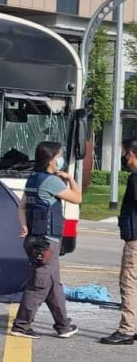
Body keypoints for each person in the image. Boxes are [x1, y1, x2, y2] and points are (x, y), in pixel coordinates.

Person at [9, 141, 80, 339]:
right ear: (51, 159)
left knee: (53, 284)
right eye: (59, 155)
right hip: (46, 241)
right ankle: (21, 326)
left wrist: (24, 225)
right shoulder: (51, 181)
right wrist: (70, 178)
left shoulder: (33, 178)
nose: (60, 159)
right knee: (39, 284)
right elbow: (77, 198)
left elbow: (22, 206)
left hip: (35, 239)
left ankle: (63, 325)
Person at [99, 138, 137, 345]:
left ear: (132, 153)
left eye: (126, 153)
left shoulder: (135, 178)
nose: (125, 158)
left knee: (128, 281)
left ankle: (126, 329)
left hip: (135, 238)